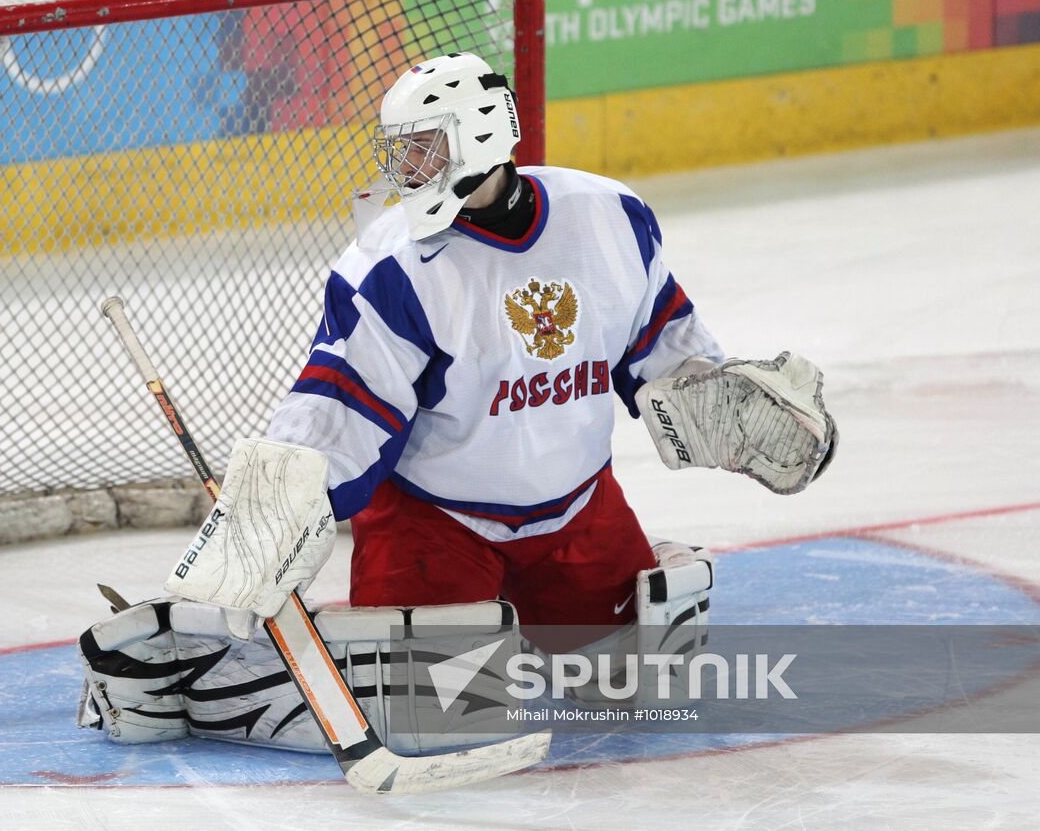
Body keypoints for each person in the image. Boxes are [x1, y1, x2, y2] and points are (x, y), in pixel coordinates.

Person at [78, 53, 836, 750]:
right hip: (434, 525)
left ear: (478, 142)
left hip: (577, 510)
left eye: (422, 147)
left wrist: (728, 404)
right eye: (401, 148)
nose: (404, 166)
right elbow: (341, 404)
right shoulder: (393, 266)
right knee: (435, 716)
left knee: (639, 691)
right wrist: (275, 507)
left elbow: (668, 352)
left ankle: (621, 577)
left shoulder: (607, 218)